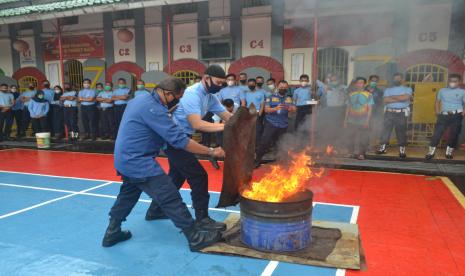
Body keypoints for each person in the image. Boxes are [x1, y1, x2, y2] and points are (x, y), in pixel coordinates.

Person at [102, 77, 225, 251]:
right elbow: (180, 141)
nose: (178, 101)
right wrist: (211, 151)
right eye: (177, 97)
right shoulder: (155, 110)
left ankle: (112, 232)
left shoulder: (141, 99)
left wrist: (164, 113)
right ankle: (195, 237)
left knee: (128, 194)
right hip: (139, 161)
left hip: (124, 158)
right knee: (169, 197)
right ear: (168, 94)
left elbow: (145, 121)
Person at [145, 65, 232, 231]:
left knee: (176, 178)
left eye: (223, 83)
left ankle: (155, 210)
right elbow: (197, 123)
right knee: (199, 176)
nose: (220, 86)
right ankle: (202, 219)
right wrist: (226, 127)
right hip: (175, 139)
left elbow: (227, 116)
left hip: (185, 137)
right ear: (206, 78)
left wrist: (243, 120)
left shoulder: (210, 96)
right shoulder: (192, 94)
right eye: (218, 82)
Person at [255, 80, 296, 167]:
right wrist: (276, 108)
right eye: (281, 87)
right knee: (264, 143)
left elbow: (292, 113)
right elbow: (266, 110)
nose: (283, 89)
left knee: (281, 144)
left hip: (283, 125)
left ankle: (280, 163)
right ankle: (257, 161)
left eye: (285, 88)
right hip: (271, 124)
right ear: (277, 87)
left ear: (287, 88)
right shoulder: (270, 97)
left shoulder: (289, 99)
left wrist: (292, 110)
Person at [425, 74, 465, 160]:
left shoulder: (463, 92)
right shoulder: (442, 91)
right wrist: (437, 111)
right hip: (443, 115)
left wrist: (464, 112)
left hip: (457, 115)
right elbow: (437, 101)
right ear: (448, 81)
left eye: (455, 81)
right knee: (437, 133)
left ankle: (449, 153)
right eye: (451, 81)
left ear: (459, 82)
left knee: (454, 134)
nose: (452, 83)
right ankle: (431, 152)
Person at [376, 73, 412, 158]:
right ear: (393, 80)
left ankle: (402, 150)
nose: (397, 80)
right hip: (389, 112)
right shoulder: (388, 89)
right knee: (385, 130)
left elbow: (405, 98)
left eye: (399, 78)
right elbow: (385, 100)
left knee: (401, 131)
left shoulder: (408, 89)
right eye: (395, 78)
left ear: (402, 79)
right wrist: (399, 98)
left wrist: (392, 98)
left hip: (401, 113)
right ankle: (382, 148)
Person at [344, 77, 374, 160]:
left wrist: (367, 121)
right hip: (351, 119)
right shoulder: (351, 94)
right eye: (358, 83)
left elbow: (370, 109)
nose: (359, 84)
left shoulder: (369, 95)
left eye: (361, 83)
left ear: (364, 84)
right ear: (355, 84)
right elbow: (348, 108)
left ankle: (361, 154)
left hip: (363, 119)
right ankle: (350, 152)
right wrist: (345, 120)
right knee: (350, 136)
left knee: (363, 137)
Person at [317, 73, 347, 150]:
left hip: (339, 110)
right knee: (328, 128)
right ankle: (327, 146)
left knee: (337, 129)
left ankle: (336, 147)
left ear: (339, 80)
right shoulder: (326, 87)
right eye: (332, 80)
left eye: (335, 80)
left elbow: (346, 98)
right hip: (329, 110)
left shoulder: (343, 88)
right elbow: (319, 97)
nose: (333, 81)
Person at [242, 78, 265, 145]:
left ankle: (257, 145)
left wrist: (260, 114)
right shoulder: (245, 94)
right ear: (247, 85)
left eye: (252, 84)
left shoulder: (260, 93)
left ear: (255, 84)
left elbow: (262, 105)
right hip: (248, 114)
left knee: (258, 130)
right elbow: (244, 103)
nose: (251, 85)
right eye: (249, 84)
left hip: (257, 113)